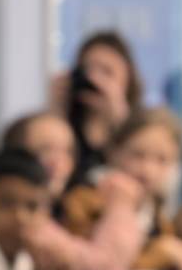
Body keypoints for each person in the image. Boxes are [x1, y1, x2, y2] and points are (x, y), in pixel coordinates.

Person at [61, 108, 182, 270]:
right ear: (113, 151)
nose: (148, 170)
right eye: (138, 155)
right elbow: (101, 265)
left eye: (162, 160)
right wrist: (164, 252)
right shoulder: (82, 200)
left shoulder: (156, 213)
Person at [1, 112, 145, 270]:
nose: (58, 162)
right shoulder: (24, 220)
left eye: (67, 151)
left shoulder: (63, 208)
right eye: (45, 149)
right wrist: (120, 205)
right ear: (14, 157)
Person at [61, 31, 144, 183]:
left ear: (128, 77)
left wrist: (120, 118)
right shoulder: (65, 124)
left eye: (106, 72)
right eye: (86, 69)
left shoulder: (142, 126)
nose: (94, 79)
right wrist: (58, 106)